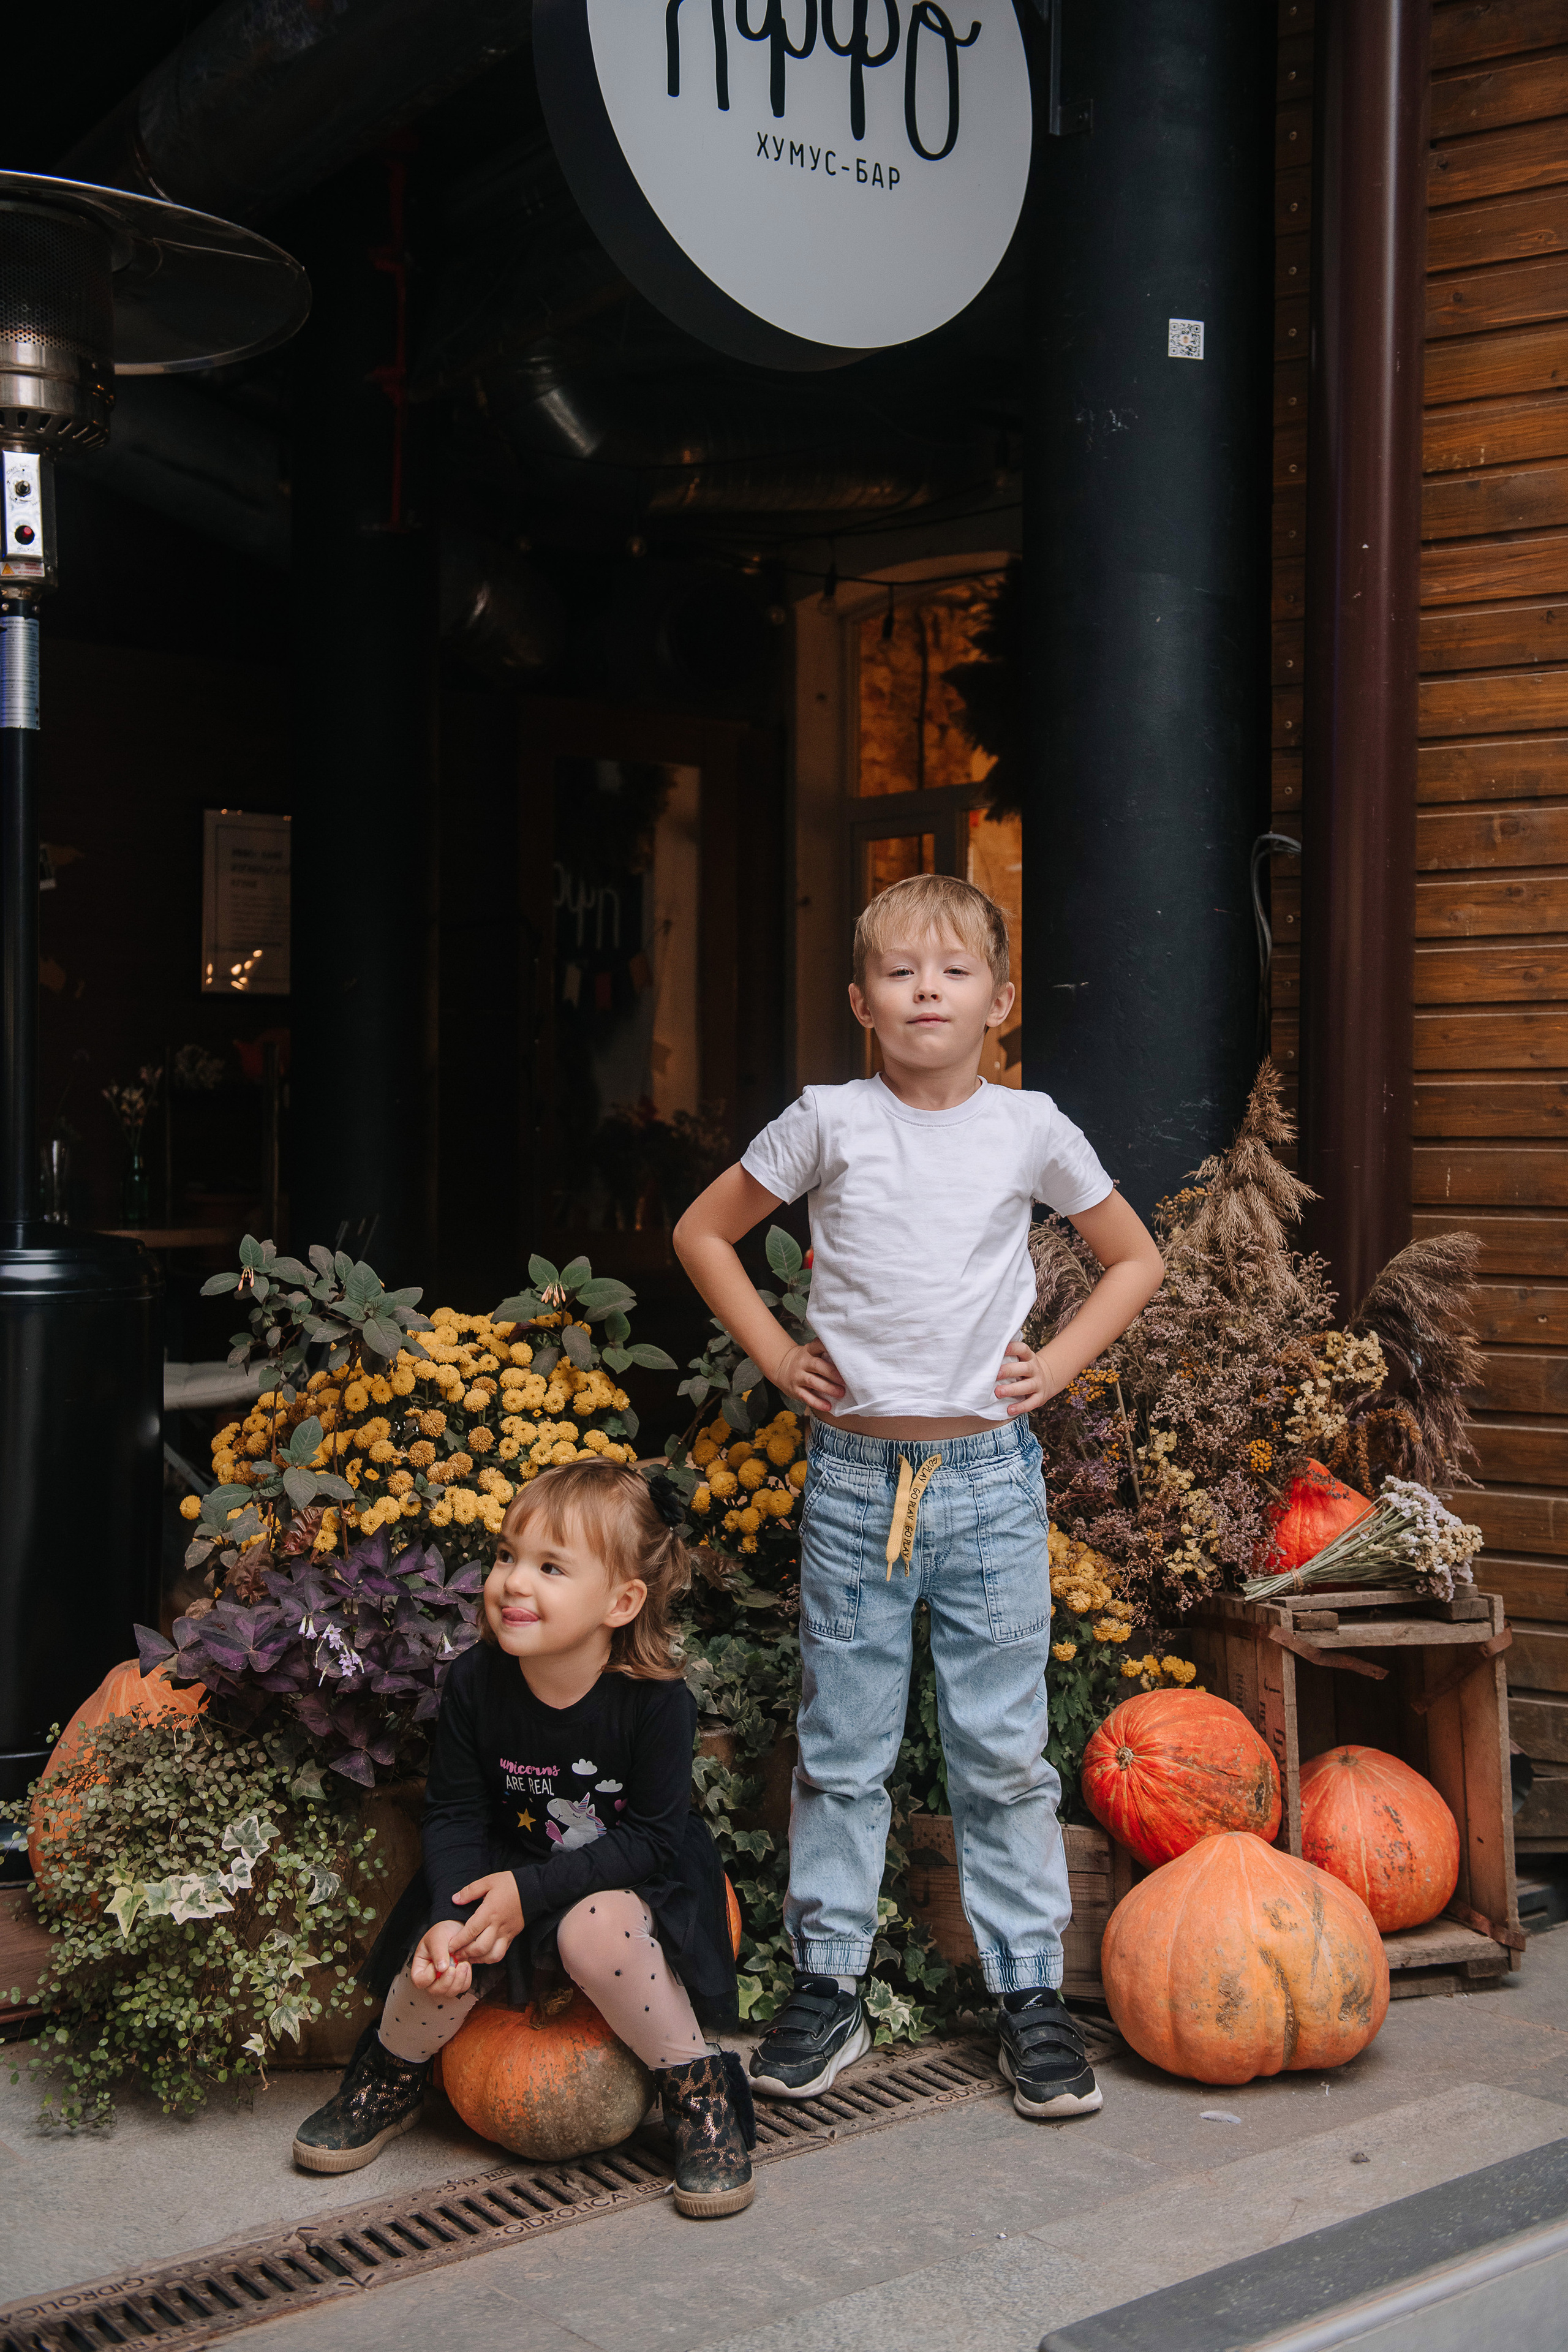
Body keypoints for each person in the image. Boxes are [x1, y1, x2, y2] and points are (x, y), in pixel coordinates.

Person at [673, 872, 1164, 2122]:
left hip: (988, 1484)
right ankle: (829, 1985)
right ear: (859, 1002)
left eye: (952, 973)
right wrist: (779, 1359)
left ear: (998, 1003)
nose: (925, 990)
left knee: (1000, 1753)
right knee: (842, 1750)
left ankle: (1026, 1994)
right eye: (899, 972)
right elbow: (701, 1234)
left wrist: (1051, 1367)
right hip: (851, 1482)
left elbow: (1131, 1258)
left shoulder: (1028, 1128)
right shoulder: (827, 1121)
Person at [292, 1458, 755, 2219]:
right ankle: (392, 2072)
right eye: (507, 1556)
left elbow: (651, 1838)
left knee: (594, 1931)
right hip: (511, 1861)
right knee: (448, 1948)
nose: (513, 1581)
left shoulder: (655, 1704)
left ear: (621, 1601)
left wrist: (528, 1894)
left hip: (627, 1878)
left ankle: (697, 2090)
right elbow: (454, 1814)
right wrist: (448, 1913)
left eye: (549, 1567)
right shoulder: (477, 1681)